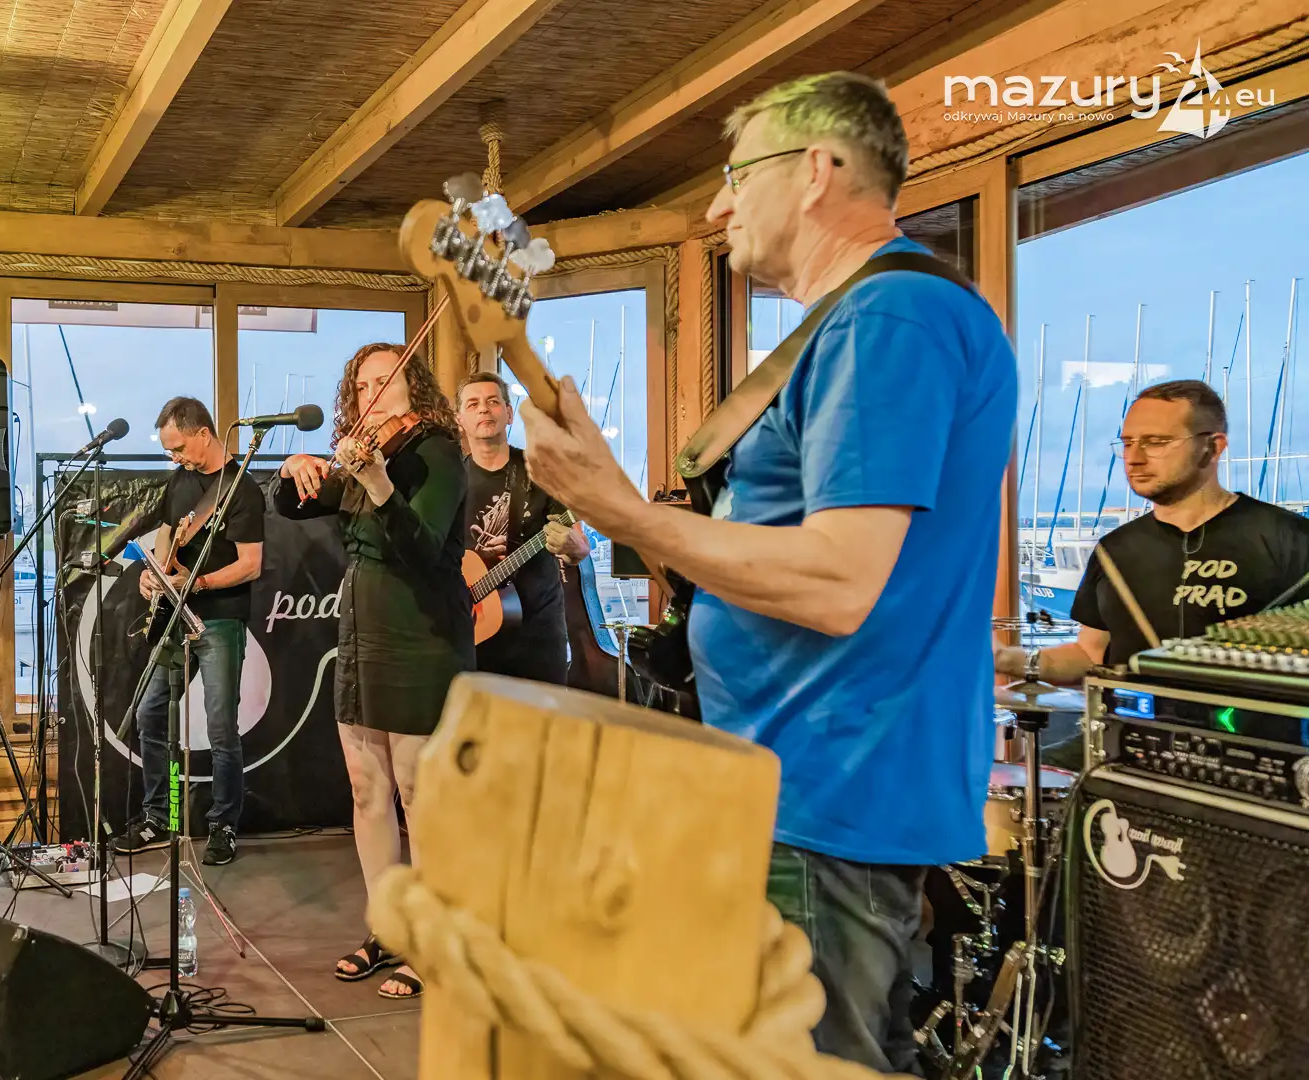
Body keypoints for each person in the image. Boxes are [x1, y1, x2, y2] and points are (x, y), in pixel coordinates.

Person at [519, 71, 1017, 1073]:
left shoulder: (889, 319)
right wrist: (628, 504)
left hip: (830, 781)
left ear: (817, 171)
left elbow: (838, 581)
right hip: (805, 778)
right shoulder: (864, 323)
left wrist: (619, 512)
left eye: (738, 176)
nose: (717, 206)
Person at [273, 342, 471, 1002]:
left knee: (418, 792)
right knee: (366, 786)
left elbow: (424, 549)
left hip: (422, 631)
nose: (374, 393)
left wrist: (381, 482)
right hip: (363, 630)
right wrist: (294, 469)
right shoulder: (359, 455)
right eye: (363, 385)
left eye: (387, 380)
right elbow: (293, 506)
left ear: (414, 387)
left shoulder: (436, 451)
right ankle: (387, 928)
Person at [995, 379, 1309, 685]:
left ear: (1213, 447)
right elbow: (1089, 655)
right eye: (1128, 443)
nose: (1134, 458)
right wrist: (1004, 659)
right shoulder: (1114, 550)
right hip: (1127, 720)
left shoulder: (1291, 540)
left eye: (1155, 442)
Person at [112, 396, 264, 867]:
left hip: (220, 618)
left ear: (203, 433)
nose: (174, 457)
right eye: (168, 450)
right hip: (174, 616)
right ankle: (157, 815)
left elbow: (251, 565)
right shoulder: (180, 481)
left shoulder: (242, 489)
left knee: (220, 727)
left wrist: (197, 583)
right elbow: (165, 533)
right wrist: (155, 574)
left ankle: (223, 824)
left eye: (178, 447)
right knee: (149, 712)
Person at [455, 371, 590, 684]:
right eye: (473, 404)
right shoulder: (450, 479)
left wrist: (572, 546)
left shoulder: (541, 471)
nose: (484, 409)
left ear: (509, 413)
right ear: (459, 419)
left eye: (493, 402)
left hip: (538, 636)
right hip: (472, 632)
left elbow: (580, 547)